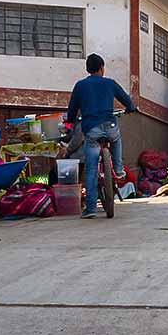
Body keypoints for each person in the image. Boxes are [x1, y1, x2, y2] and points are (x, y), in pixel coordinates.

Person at [66, 53, 136, 219]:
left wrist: (70, 120)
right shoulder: (110, 83)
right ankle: (118, 169)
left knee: (90, 169)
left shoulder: (80, 85)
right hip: (110, 125)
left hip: (91, 130)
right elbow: (128, 101)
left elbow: (72, 109)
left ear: (88, 69)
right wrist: (130, 108)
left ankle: (90, 209)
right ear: (102, 68)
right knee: (116, 138)